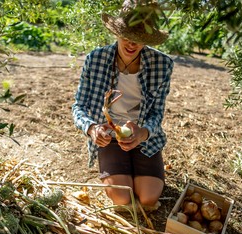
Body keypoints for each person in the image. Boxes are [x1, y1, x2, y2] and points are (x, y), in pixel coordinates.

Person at [72, 0, 174, 210]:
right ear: (116, 32)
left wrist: (143, 133)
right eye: (126, 36)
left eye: (139, 39)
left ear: (148, 40)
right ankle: (123, 169)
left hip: (143, 135)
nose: (131, 44)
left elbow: (157, 113)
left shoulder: (162, 65)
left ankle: (138, 168)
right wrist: (92, 128)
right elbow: (78, 106)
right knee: (121, 197)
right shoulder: (96, 59)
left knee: (148, 198)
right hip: (108, 136)